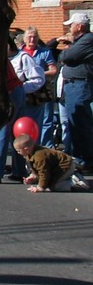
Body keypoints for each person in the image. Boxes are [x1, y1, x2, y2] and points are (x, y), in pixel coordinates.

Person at [0, 36, 44, 183]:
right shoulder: (0, 54)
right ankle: (19, 170)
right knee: (17, 132)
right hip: (16, 90)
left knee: (1, 131)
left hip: (7, 91)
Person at [56, 11, 93, 171]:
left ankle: (85, 159)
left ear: (79, 26)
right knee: (73, 123)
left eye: (72, 25)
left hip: (80, 85)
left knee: (80, 123)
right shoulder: (81, 40)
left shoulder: (88, 40)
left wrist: (66, 52)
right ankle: (78, 156)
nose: (70, 27)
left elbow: (68, 56)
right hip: (72, 86)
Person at [13, 133, 89, 192]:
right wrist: (32, 176)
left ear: (26, 149)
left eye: (19, 151)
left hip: (66, 165)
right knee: (47, 182)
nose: (18, 153)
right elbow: (36, 168)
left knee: (52, 186)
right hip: (56, 166)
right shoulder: (30, 153)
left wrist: (40, 187)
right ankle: (72, 177)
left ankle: (74, 183)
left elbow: (44, 172)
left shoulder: (39, 156)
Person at [23, 26, 59, 147]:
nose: (32, 40)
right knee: (25, 118)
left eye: (34, 37)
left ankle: (46, 146)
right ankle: (27, 145)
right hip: (25, 90)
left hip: (42, 90)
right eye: (29, 37)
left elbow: (53, 70)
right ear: (24, 39)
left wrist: (37, 74)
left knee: (46, 119)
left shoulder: (45, 52)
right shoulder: (19, 53)